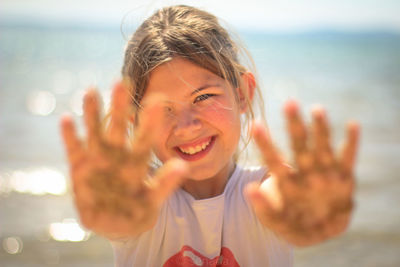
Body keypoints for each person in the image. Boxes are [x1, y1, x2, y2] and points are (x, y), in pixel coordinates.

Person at [60, 5, 360, 267]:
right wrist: (109, 207)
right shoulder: (141, 200)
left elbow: (282, 197)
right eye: (161, 108)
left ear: (243, 93)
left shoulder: (265, 192)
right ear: (134, 120)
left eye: (203, 97)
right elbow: (125, 208)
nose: (187, 125)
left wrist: (305, 210)